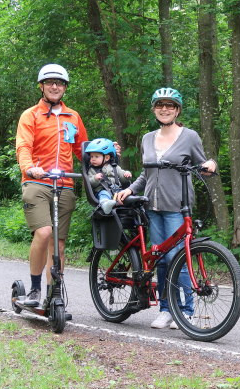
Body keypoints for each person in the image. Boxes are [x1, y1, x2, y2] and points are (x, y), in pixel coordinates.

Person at [116, 87, 217, 329]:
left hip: (177, 206)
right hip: (153, 206)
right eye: (160, 104)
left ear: (177, 110)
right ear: (154, 109)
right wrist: (131, 190)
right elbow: (146, 174)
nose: (164, 109)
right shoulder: (147, 138)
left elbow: (202, 162)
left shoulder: (189, 136)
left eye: (170, 105)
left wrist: (211, 164)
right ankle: (165, 309)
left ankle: (187, 311)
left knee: (177, 258)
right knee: (160, 259)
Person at [15, 63, 88, 307]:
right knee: (44, 232)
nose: (55, 86)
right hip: (37, 181)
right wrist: (29, 167)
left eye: (60, 83)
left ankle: (53, 293)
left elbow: (83, 151)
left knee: (58, 243)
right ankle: (35, 289)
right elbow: (23, 146)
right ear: (42, 86)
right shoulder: (31, 115)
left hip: (65, 183)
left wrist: (104, 162)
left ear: (65, 88)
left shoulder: (73, 117)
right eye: (50, 82)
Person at [84, 137, 132, 214]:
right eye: (91, 156)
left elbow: (122, 177)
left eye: (96, 156)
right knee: (104, 194)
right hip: (102, 190)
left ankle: (130, 204)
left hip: (117, 190)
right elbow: (89, 183)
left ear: (106, 157)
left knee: (125, 193)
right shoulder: (92, 170)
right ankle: (105, 204)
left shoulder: (114, 167)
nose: (93, 159)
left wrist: (126, 175)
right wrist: (95, 178)